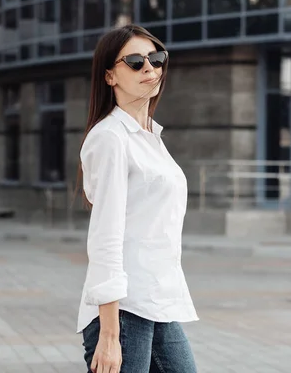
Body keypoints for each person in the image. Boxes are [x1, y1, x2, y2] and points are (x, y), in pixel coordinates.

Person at [75, 24, 199, 373]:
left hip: (157, 302)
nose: (150, 68)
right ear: (110, 76)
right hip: (124, 311)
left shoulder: (151, 137)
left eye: (156, 58)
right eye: (134, 61)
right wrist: (110, 335)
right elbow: (106, 236)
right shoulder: (111, 138)